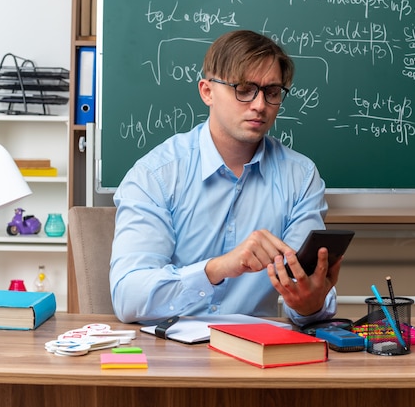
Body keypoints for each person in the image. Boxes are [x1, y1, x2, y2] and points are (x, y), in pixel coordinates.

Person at [110, 30, 341, 326]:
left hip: (258, 355)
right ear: (207, 91)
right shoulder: (156, 175)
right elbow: (128, 298)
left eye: (271, 92)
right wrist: (216, 269)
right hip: (173, 354)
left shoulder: (300, 176)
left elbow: (304, 294)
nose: (259, 105)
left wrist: (310, 303)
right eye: (244, 89)